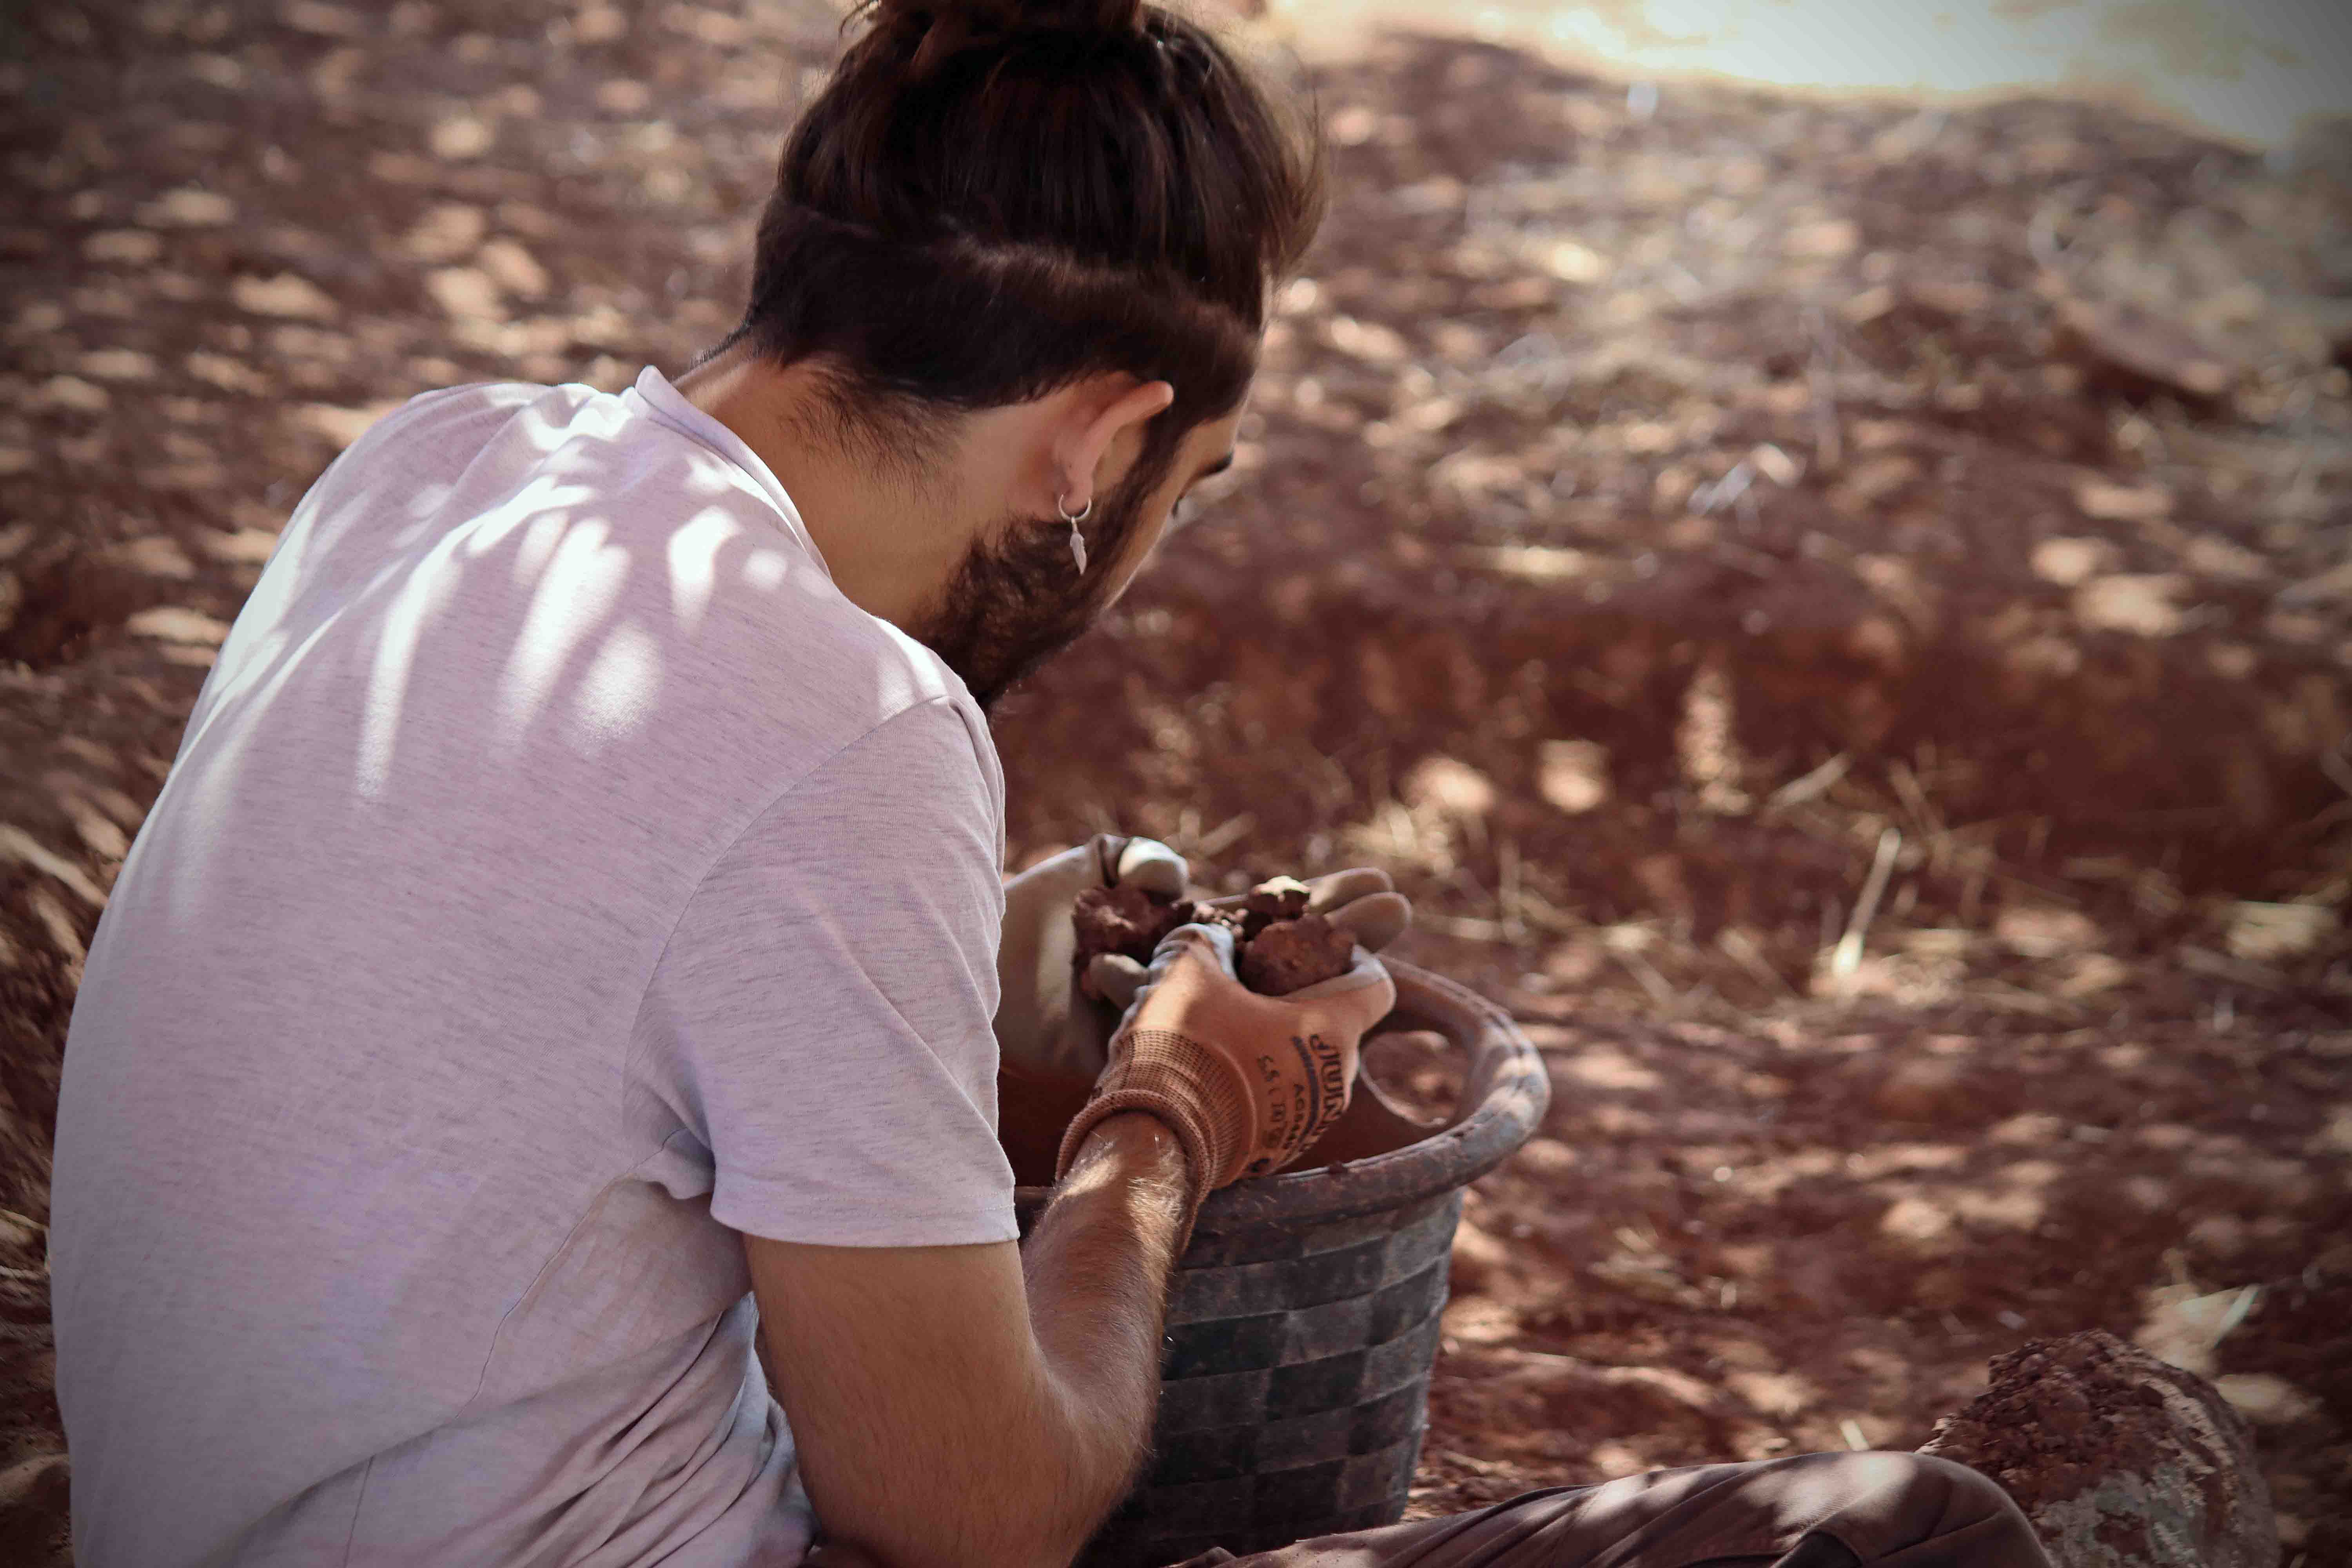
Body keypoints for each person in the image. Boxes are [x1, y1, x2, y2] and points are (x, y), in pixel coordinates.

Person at [45, 0, 2054, 1564]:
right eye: (1188, 490)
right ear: (1099, 439)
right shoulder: (847, 724)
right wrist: (1172, 1120)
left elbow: (528, 1045)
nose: (1150, 543)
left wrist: (976, 979)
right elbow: (971, 1515)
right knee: (1908, 1542)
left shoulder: (437, 462)